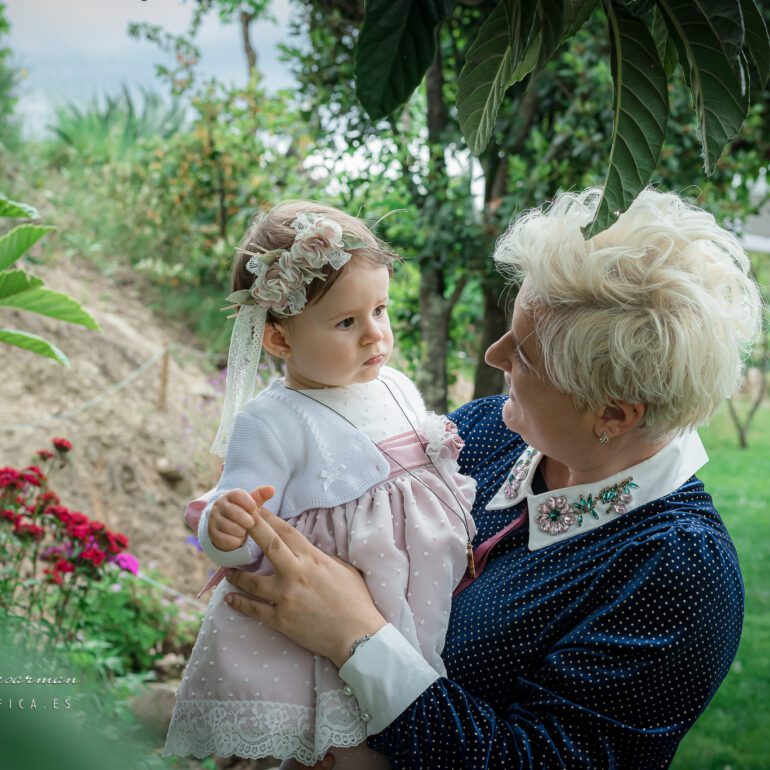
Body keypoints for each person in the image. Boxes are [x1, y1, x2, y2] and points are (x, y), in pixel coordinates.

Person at [220, 187, 763, 769]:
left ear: (612, 412)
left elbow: (533, 761)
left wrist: (355, 639)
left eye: (524, 356)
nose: (493, 354)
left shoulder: (674, 572)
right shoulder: (485, 434)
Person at [163, 201, 477, 769]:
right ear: (281, 341)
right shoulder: (274, 419)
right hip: (341, 613)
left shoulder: (397, 387)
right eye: (346, 322)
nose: (374, 335)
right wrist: (227, 525)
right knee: (349, 736)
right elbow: (244, 516)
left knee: (416, 707)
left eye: (380, 310)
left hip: (422, 595)